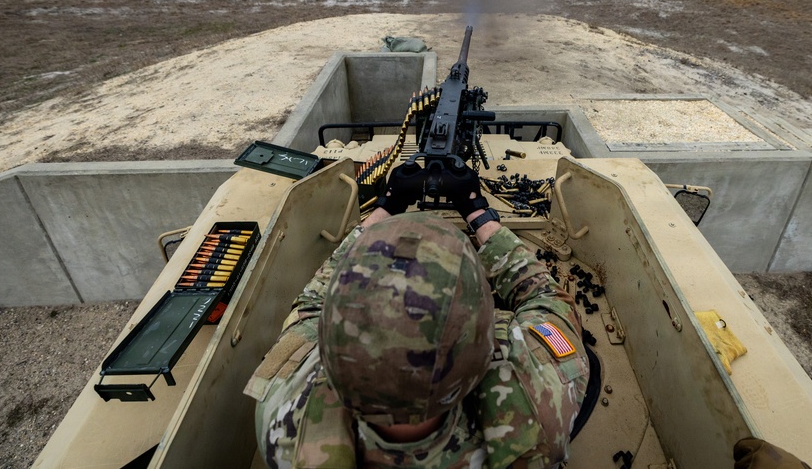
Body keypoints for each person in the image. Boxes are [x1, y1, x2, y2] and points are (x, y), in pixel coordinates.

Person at [244, 162, 590, 468]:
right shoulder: (543, 414)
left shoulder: (284, 417)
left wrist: (386, 207)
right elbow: (547, 299)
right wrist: (478, 213)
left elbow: (311, 306)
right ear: (483, 350)